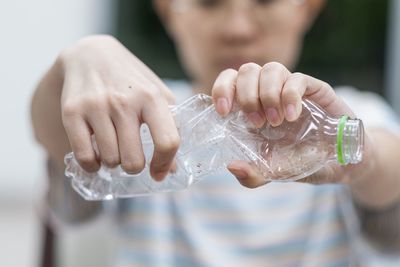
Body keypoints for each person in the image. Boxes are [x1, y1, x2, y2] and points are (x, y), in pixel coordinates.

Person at [31, 0, 400, 266]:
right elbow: (64, 165)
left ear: (307, 8)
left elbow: (388, 182)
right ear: (167, 11)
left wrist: (361, 157)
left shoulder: (348, 119)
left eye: (266, 1)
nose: (237, 28)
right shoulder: (143, 117)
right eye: (209, 3)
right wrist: (73, 65)